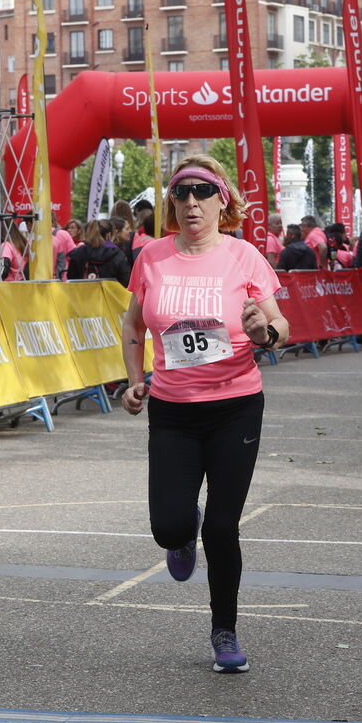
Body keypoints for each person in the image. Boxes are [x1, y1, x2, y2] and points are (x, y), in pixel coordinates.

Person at [120, 154, 289, 674]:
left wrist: (263, 332)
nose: (191, 202)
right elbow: (133, 328)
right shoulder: (151, 258)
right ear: (171, 203)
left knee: (222, 527)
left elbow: (281, 326)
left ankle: (224, 631)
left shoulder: (243, 256)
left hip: (236, 407)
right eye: (181, 193)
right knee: (169, 527)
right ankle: (181, 531)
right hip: (174, 410)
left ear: (222, 200)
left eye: (202, 192)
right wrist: (134, 379)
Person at [67, 219, 130, 285]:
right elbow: (125, 280)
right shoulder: (117, 253)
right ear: (109, 235)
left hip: (82, 290)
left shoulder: (79, 252)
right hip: (110, 291)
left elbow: (71, 278)